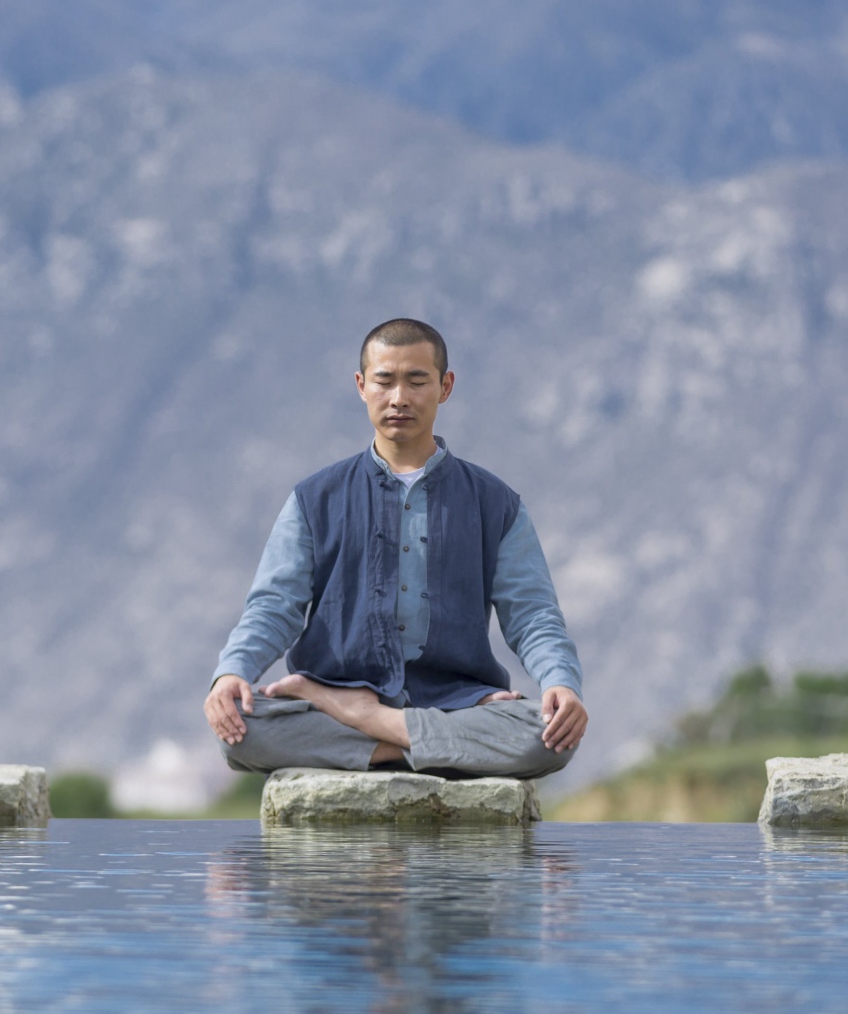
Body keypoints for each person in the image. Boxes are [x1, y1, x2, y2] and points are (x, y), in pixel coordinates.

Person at [204, 318, 590, 778]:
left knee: (548, 737)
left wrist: (561, 682)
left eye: (417, 381)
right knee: (239, 730)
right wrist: (233, 671)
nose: (399, 398)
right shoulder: (314, 498)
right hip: (340, 690)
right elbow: (274, 605)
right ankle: (425, 744)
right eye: (384, 381)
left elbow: (532, 614)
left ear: (445, 387)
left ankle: (367, 726)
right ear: (361, 386)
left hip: (455, 700)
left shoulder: (495, 503)